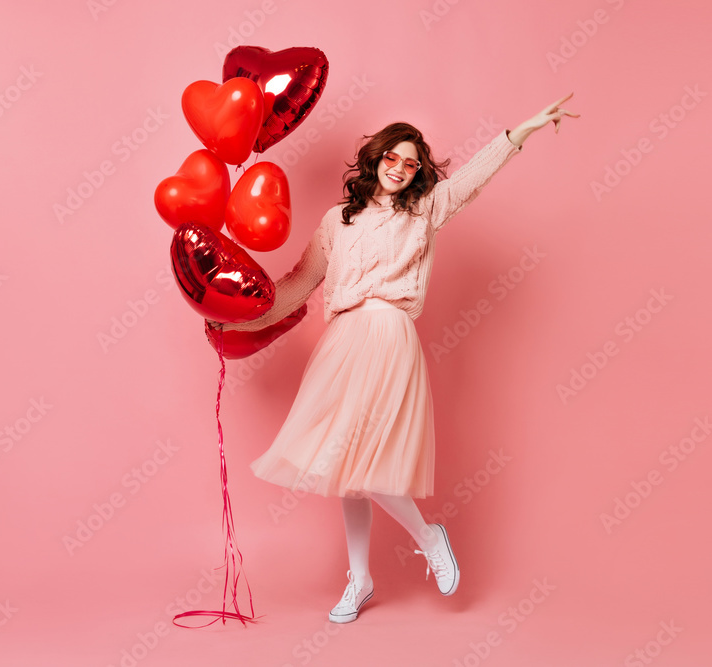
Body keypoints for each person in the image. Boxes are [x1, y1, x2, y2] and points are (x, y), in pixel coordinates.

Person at [215, 93, 579, 623]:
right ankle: (359, 579)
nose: (401, 169)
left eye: (412, 164)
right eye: (393, 158)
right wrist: (240, 320)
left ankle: (429, 538)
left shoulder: (424, 211)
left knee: (367, 462)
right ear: (375, 158)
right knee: (345, 466)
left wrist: (521, 130)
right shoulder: (336, 221)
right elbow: (298, 285)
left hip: (387, 335)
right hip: (342, 341)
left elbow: (471, 179)